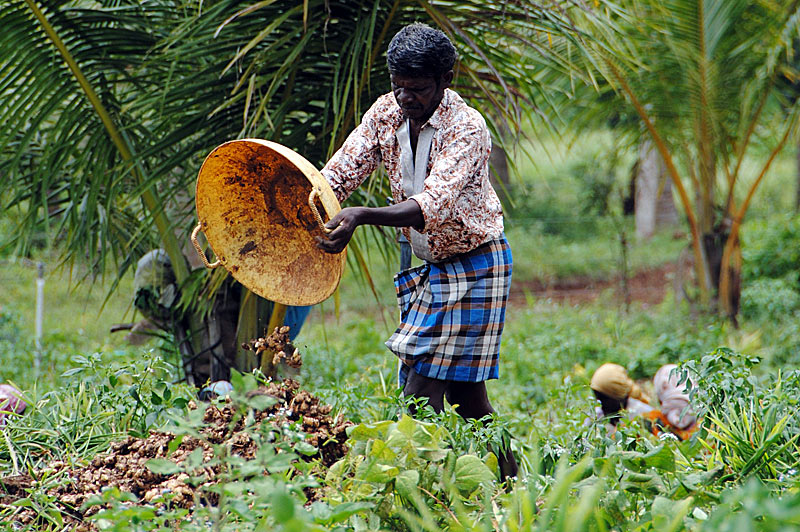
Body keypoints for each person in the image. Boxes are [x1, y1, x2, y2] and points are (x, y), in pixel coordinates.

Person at [316, 22, 517, 479]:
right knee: (469, 400)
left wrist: (361, 214)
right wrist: (302, 202)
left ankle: (411, 490)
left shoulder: (467, 128)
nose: (406, 98)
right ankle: (514, 484)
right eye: (398, 86)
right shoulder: (385, 113)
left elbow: (432, 204)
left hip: (476, 265)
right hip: (433, 268)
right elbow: (342, 172)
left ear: (446, 80)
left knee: (419, 386)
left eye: (418, 88)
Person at [588, 363, 653, 432]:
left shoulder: (644, 415)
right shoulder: (596, 415)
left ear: (618, 397)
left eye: (604, 398)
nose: (599, 403)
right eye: (597, 397)